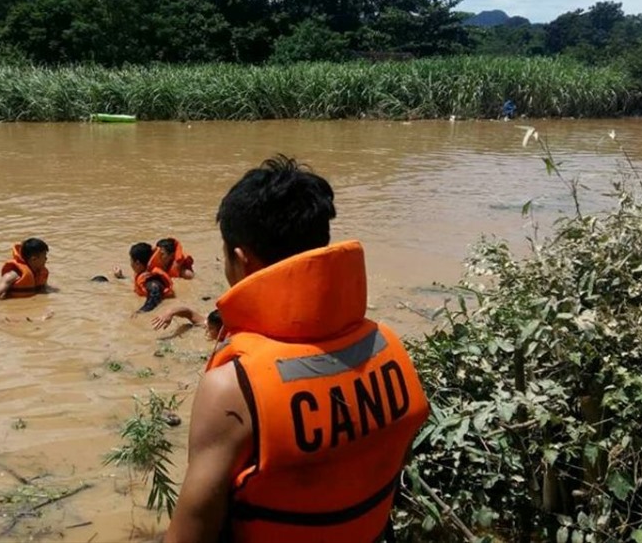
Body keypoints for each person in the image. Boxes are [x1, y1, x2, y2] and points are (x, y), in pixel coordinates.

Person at [164, 155, 431, 543]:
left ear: (241, 260)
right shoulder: (388, 345)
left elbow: (189, 538)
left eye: (224, 256)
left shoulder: (233, 388)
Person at [0, 238, 50, 312]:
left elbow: (43, 289)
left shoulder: (40, 273)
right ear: (34, 259)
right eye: (44, 256)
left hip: (31, 310)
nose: (46, 259)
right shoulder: (14, 275)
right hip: (14, 311)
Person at [115, 242, 174, 313]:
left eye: (131, 260)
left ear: (137, 263)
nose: (130, 263)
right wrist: (121, 277)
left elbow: (155, 294)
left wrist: (141, 311)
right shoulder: (145, 274)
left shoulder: (152, 281)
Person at [151, 305, 222, 341]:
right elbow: (189, 313)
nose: (207, 330)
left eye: (211, 328)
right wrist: (170, 313)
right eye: (208, 326)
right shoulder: (207, 324)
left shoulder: (228, 338)